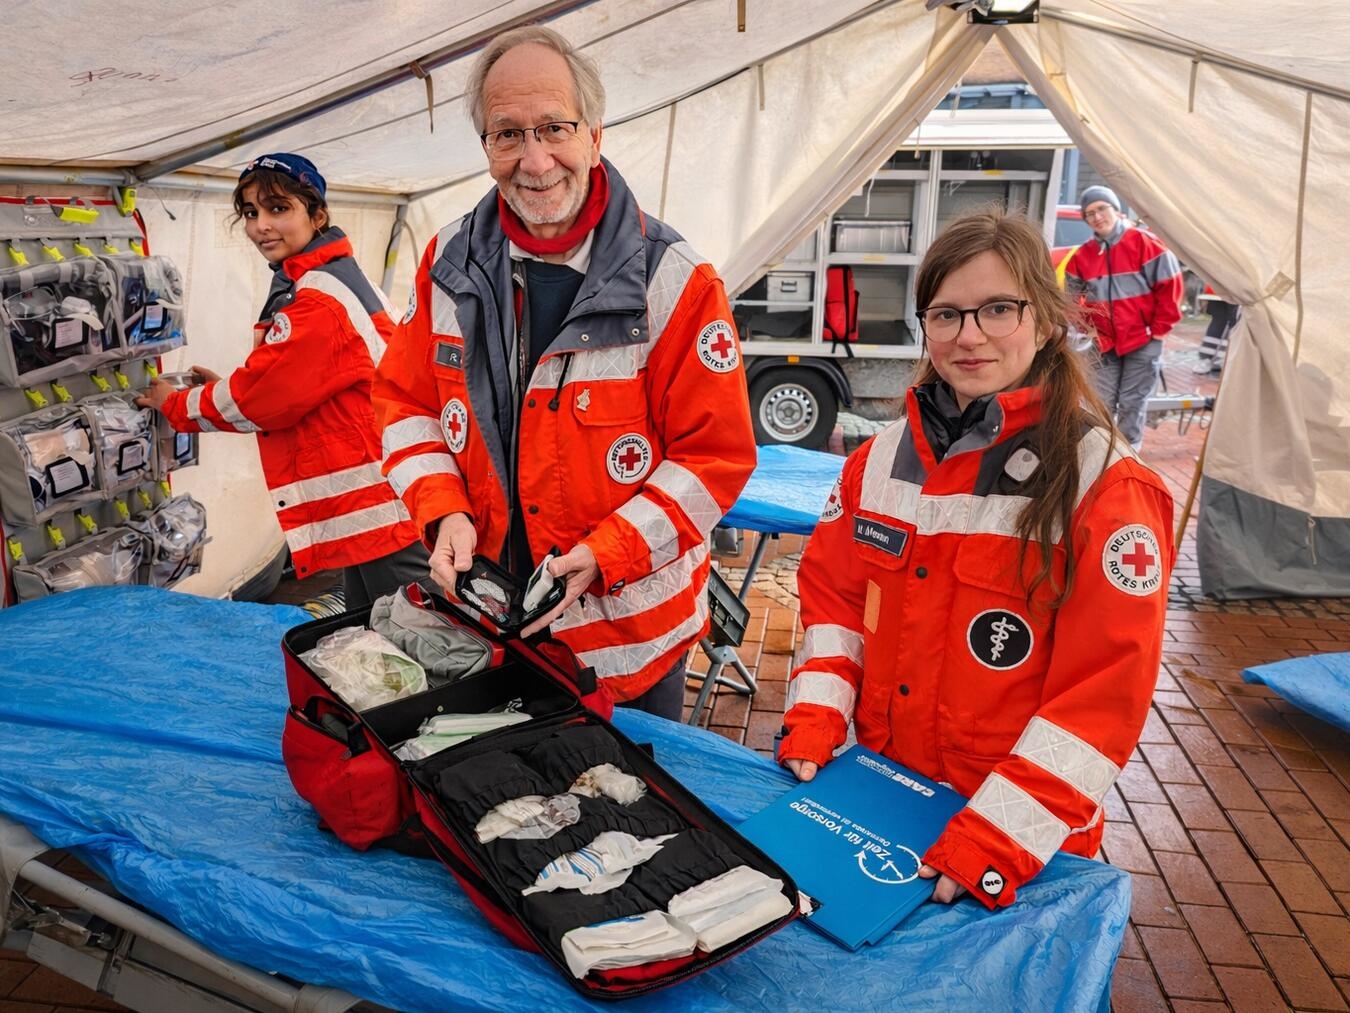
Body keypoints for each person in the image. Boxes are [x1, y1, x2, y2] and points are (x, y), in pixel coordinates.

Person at [777, 209, 1174, 910]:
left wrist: (996, 838)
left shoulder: (1107, 486)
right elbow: (835, 605)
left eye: (997, 309)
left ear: (1044, 320)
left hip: (1018, 842)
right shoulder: (876, 463)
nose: (968, 336)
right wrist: (815, 719)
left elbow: (1101, 698)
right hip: (880, 799)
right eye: (946, 314)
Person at [371, 26, 756, 720]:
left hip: (628, 653)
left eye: (555, 127)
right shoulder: (448, 262)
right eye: (507, 134)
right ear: (485, 146)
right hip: (488, 630)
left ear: (596, 135)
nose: (535, 159)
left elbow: (713, 459)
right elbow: (405, 405)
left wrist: (608, 552)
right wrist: (443, 507)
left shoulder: (676, 280)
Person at [138, 152, 427, 608]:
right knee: (379, 631)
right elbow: (292, 382)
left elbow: (263, 398)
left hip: (382, 507)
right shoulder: (334, 279)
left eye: (278, 209)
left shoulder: (318, 300)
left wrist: (175, 403)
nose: (261, 227)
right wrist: (220, 389)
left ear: (317, 215)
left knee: (426, 636)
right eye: (250, 213)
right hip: (381, 502)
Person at [1065, 185, 1183, 449]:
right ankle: (1102, 453)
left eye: (1101, 209)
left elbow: (1170, 287)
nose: (1097, 217)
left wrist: (1157, 331)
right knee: (1099, 402)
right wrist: (1084, 328)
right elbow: (1071, 299)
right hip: (1105, 343)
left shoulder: (1146, 244)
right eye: (1089, 213)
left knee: (1132, 404)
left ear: (1116, 210)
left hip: (1143, 341)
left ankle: (1130, 455)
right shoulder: (1083, 256)